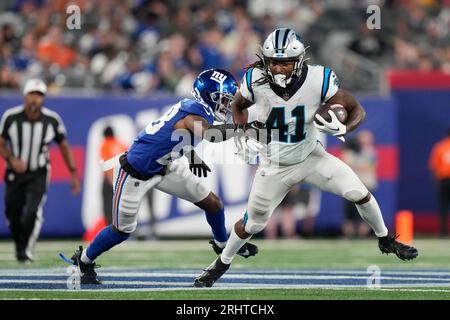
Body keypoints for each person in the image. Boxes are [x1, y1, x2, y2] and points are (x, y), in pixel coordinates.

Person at [194, 28, 419, 287]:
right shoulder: (255, 78)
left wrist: (345, 128)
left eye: (285, 63)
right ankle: (220, 263)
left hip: (312, 157)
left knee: (360, 193)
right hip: (274, 164)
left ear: (300, 61)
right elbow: (238, 105)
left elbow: (356, 108)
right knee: (252, 224)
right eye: (274, 62)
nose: (278, 69)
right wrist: (243, 131)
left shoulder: (318, 78)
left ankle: (386, 239)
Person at [61, 68, 262, 284]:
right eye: (223, 100)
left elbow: (175, 135)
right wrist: (243, 128)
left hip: (165, 167)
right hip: (135, 172)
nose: (226, 105)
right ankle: (84, 260)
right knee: (122, 230)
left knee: (213, 203)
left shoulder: (194, 110)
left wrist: (192, 156)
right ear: (208, 95)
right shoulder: (195, 111)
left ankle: (223, 245)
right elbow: (210, 134)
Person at [0, 78, 81, 263]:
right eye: (32, 94)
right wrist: (11, 159)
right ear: (25, 96)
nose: (35, 98)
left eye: (39, 95)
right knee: (12, 213)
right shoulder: (11, 117)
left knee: (32, 212)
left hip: (39, 172)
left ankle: (24, 250)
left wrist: (73, 173)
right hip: (15, 172)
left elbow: (64, 146)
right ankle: (21, 246)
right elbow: (1, 142)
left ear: (43, 98)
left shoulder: (51, 119)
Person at [341, 130, 378, 238]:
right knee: (349, 213)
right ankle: (349, 235)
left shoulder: (371, 151)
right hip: (351, 185)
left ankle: (363, 235)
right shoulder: (350, 151)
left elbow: (370, 167)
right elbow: (346, 165)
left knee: (367, 212)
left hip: (367, 185)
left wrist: (357, 166)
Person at [99, 126, 128, 226]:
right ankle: (123, 228)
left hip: (110, 181)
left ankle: (110, 228)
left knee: (108, 206)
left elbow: (106, 165)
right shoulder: (121, 144)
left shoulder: (105, 145)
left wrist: (111, 181)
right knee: (121, 206)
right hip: (122, 179)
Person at [428, 127, 450, 237]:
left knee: (443, 207)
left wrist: (437, 180)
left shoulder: (440, 147)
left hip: (444, 180)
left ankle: (443, 232)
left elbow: (434, 166)